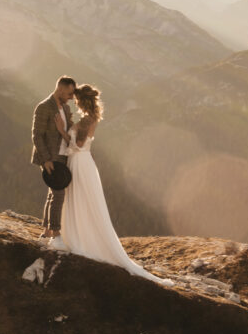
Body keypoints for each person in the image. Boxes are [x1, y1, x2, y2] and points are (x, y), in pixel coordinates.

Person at [60, 84, 171, 285]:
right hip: (83, 162)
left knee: (79, 199)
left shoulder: (86, 120)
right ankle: (82, 236)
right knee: (84, 200)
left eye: (76, 101)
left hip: (80, 162)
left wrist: (63, 131)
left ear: (81, 102)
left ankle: (79, 238)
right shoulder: (91, 118)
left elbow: (77, 145)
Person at [31, 76, 75, 247]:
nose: (71, 97)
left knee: (53, 194)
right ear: (61, 89)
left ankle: (47, 232)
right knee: (58, 194)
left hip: (63, 156)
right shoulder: (44, 107)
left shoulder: (65, 107)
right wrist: (46, 159)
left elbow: (69, 129)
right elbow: (37, 135)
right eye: (70, 93)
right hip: (50, 157)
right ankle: (55, 234)